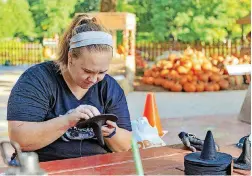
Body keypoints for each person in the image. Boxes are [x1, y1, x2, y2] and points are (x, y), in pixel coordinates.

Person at [7, 14, 132, 162]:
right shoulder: (37, 79)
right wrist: (68, 121)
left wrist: (112, 133)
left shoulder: (109, 87)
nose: (93, 79)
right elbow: (19, 139)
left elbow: (126, 145)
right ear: (70, 57)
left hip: (96, 167)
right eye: (87, 71)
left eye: (102, 72)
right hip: (43, 166)